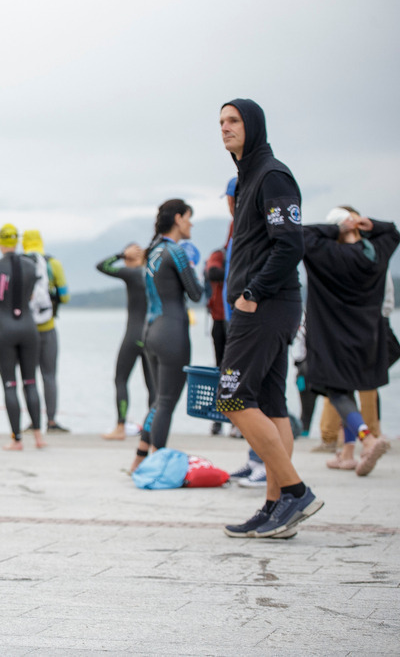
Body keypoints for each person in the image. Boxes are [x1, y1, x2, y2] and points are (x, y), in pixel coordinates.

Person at [216, 98, 321, 539]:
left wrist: (251, 295)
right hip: (266, 305)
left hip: (266, 305)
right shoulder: (246, 179)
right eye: (221, 122)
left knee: (232, 397)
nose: (225, 128)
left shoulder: (272, 175)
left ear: (253, 125)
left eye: (234, 120)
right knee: (272, 405)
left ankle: (295, 491)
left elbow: (289, 244)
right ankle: (277, 505)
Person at [303, 207, 397, 475]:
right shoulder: (376, 255)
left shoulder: (327, 254)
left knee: (338, 392)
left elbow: (303, 234)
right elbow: (392, 231)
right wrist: (370, 225)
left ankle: (368, 440)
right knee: (351, 391)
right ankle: (347, 454)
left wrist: (336, 229)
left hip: (334, 340)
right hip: (369, 338)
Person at [128, 199, 204, 473]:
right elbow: (196, 293)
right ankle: (158, 463)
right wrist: (196, 264)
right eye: (188, 218)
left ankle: (139, 458)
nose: (191, 223)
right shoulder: (176, 251)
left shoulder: (154, 251)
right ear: (178, 219)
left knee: (159, 399)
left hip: (150, 331)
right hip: (172, 332)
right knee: (167, 401)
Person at [0, 224, 43, 451]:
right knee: (31, 382)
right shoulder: (31, 265)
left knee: (10, 385)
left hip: (4, 328)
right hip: (28, 327)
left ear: (0, 242)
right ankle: (38, 436)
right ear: (16, 241)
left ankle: (17, 439)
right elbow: (29, 294)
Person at [96, 243, 154, 440]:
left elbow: (101, 266)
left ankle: (120, 427)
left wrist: (120, 254)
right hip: (151, 335)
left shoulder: (132, 273)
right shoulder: (151, 274)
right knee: (152, 386)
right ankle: (151, 428)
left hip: (134, 335)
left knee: (120, 379)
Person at [22, 229, 69, 433]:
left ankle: (34, 421)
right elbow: (65, 297)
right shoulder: (53, 264)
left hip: (26, 330)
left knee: (29, 377)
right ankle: (51, 421)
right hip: (48, 327)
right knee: (49, 375)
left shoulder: (21, 263)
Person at [204, 178, 235, 435]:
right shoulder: (220, 254)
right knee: (220, 368)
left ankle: (235, 419)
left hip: (236, 318)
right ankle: (218, 417)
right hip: (220, 320)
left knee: (234, 369)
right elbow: (212, 272)